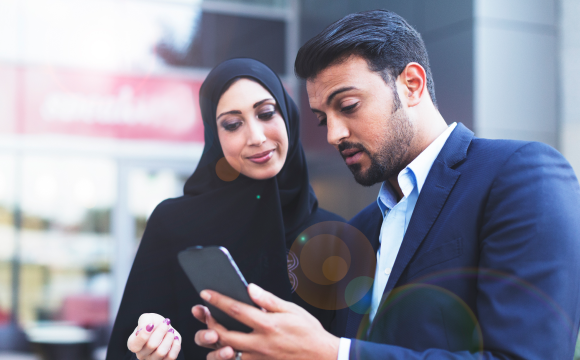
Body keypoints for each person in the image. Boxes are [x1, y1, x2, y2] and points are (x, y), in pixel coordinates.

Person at [192, 9, 580, 360]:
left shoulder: (519, 175)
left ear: (411, 84)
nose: (333, 134)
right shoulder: (360, 230)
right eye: (323, 118)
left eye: (347, 106)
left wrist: (335, 353)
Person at [105, 58, 345, 360]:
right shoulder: (174, 223)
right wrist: (151, 347)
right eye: (233, 124)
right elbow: (125, 350)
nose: (256, 137)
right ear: (214, 138)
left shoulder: (337, 236)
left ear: (288, 116)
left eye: (267, 113)